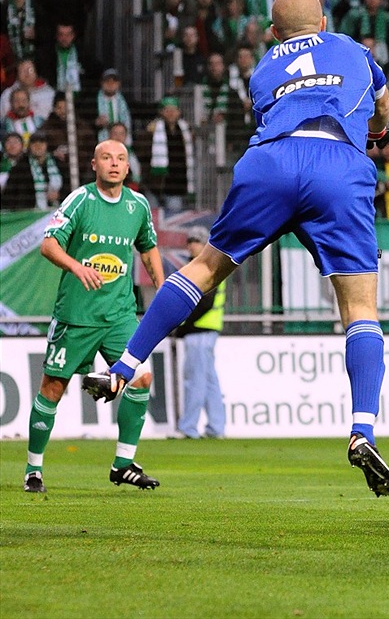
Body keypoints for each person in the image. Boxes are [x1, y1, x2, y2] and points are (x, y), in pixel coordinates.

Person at [83, 0, 389, 498]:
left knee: (204, 269)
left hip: (270, 163)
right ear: (323, 22)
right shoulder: (351, 48)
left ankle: (124, 365)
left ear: (273, 33)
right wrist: (377, 133)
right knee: (360, 307)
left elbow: (274, 116)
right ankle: (363, 429)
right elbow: (381, 108)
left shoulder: (264, 68)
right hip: (337, 165)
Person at [22, 139, 164, 494]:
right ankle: (33, 469)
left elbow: (148, 248)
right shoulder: (80, 200)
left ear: (127, 168)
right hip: (77, 315)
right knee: (53, 388)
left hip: (119, 316)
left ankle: (123, 465)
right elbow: (49, 244)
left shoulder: (138, 205)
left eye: (120, 159)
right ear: (94, 165)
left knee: (142, 379)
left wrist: (163, 290)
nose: (114, 164)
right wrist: (76, 266)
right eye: (106, 158)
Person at [175, 226, 226, 439]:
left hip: (199, 331)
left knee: (194, 380)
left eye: (195, 241)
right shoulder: (214, 265)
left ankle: (188, 427)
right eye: (189, 241)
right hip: (208, 330)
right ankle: (216, 427)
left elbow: (204, 303)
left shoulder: (206, 267)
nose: (191, 245)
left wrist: (182, 326)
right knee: (209, 380)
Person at [3, 129, 62, 210]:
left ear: (47, 145)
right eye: (34, 143)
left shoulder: (58, 163)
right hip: (29, 212)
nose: (38, 146)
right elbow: (10, 194)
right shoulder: (20, 167)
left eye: (41, 143)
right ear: (30, 146)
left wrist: (59, 195)